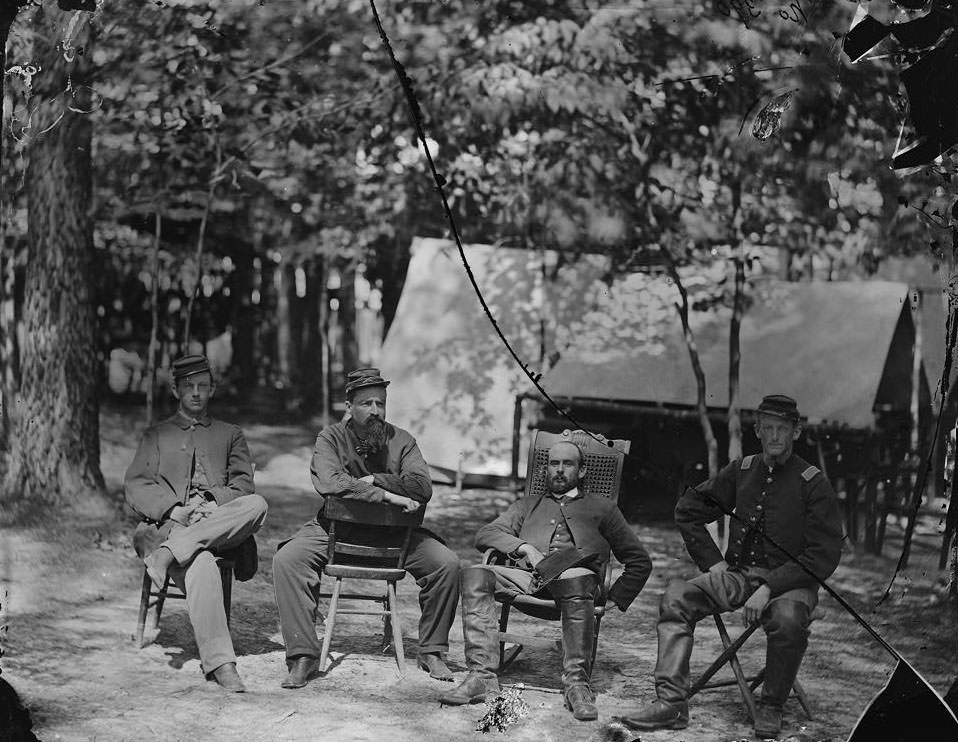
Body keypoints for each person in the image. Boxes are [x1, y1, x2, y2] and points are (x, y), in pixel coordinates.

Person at [620, 394, 843, 738]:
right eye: (767, 428)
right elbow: (689, 509)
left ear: (796, 432)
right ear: (757, 430)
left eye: (782, 429)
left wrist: (770, 586)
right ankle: (671, 704)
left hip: (793, 583)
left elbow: (823, 553)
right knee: (677, 596)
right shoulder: (741, 471)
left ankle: (771, 706)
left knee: (786, 618)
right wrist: (713, 563)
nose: (774, 437)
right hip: (738, 576)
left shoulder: (813, 482)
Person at [439, 439, 653, 721]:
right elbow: (485, 534)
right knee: (474, 573)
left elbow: (639, 560)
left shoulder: (602, 509)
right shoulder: (528, 505)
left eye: (568, 464)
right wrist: (525, 547)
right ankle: (481, 676)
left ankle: (577, 685)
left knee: (576, 578)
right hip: (530, 579)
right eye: (554, 463)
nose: (560, 470)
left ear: (582, 471)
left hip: (578, 583)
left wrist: (615, 598)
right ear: (545, 469)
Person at [272, 368, 460, 688]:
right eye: (366, 403)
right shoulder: (329, 437)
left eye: (380, 403)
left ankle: (431, 650)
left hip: (395, 537)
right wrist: (387, 495)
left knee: (447, 564)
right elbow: (330, 482)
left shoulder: (402, 441)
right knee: (288, 560)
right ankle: (303, 654)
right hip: (336, 532)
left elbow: (422, 487)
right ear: (349, 406)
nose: (375, 411)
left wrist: (376, 479)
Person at [125, 354, 268, 693]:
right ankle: (221, 663)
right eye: (188, 386)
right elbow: (136, 485)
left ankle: (167, 555)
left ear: (212, 390)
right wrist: (174, 509)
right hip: (169, 525)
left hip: (218, 524)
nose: (196, 393)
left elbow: (244, 486)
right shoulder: (156, 435)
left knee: (257, 504)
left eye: (203, 386)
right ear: (175, 389)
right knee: (200, 562)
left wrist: (212, 504)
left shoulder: (230, 434)